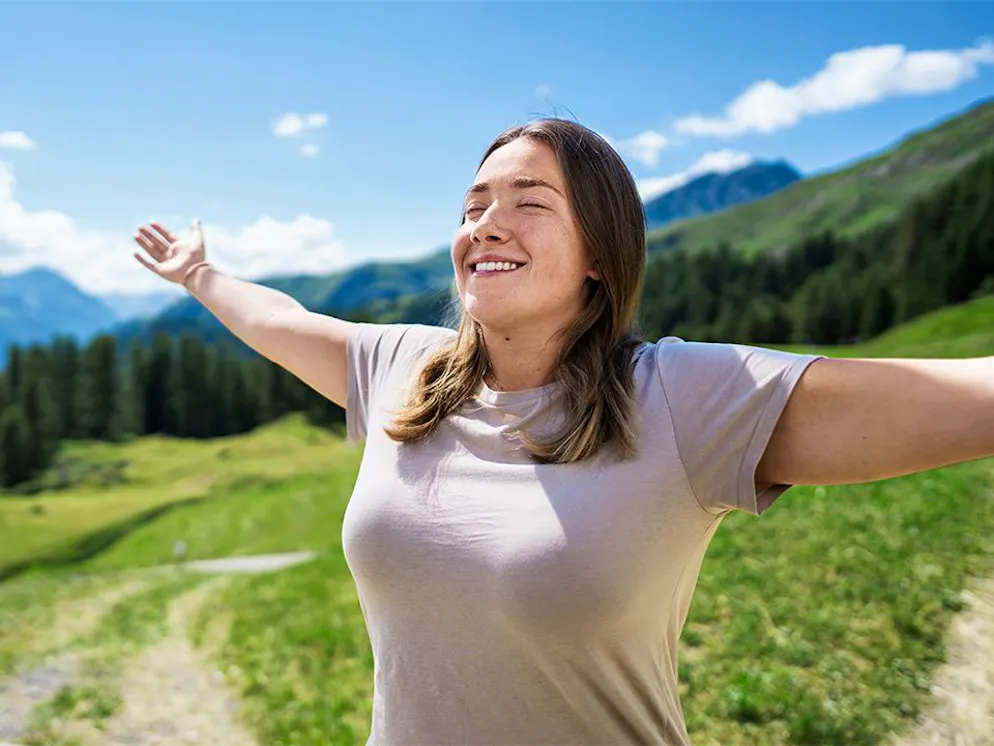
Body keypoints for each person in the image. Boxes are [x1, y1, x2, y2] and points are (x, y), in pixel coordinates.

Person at [133, 117, 993, 745]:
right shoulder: (405, 369)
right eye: (473, 205)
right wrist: (199, 273)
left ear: (598, 255)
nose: (484, 223)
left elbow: (951, 399)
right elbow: (281, 321)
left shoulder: (684, 397)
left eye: (529, 202)